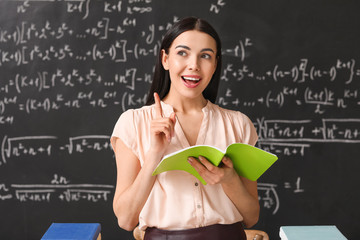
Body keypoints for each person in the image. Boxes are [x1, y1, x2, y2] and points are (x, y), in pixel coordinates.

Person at [110, 17, 260, 240]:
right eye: (183, 53)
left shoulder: (238, 124)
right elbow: (125, 219)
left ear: (215, 64)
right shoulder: (132, 123)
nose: (194, 65)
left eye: (205, 56)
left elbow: (252, 216)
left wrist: (229, 180)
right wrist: (154, 156)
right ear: (165, 58)